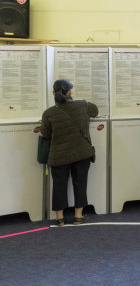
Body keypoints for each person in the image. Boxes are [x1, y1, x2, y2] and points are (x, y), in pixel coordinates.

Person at [41, 79, 99, 226]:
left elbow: (46, 134)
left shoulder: (48, 113)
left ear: (53, 93)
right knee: (80, 183)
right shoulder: (83, 105)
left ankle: (59, 218)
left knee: (59, 185)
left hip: (59, 156)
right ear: (70, 92)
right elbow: (96, 111)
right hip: (81, 153)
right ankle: (78, 216)